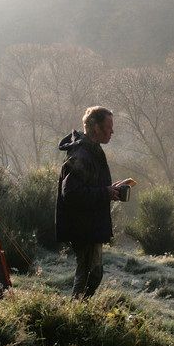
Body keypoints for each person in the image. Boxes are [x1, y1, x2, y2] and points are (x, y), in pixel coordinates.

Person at [55, 106, 120, 299]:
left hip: (91, 223)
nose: (112, 132)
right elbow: (71, 193)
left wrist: (110, 190)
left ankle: (78, 311)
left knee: (91, 273)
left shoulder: (93, 150)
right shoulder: (81, 155)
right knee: (89, 273)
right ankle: (76, 313)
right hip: (83, 226)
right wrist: (104, 193)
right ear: (95, 128)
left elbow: (91, 185)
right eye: (108, 127)